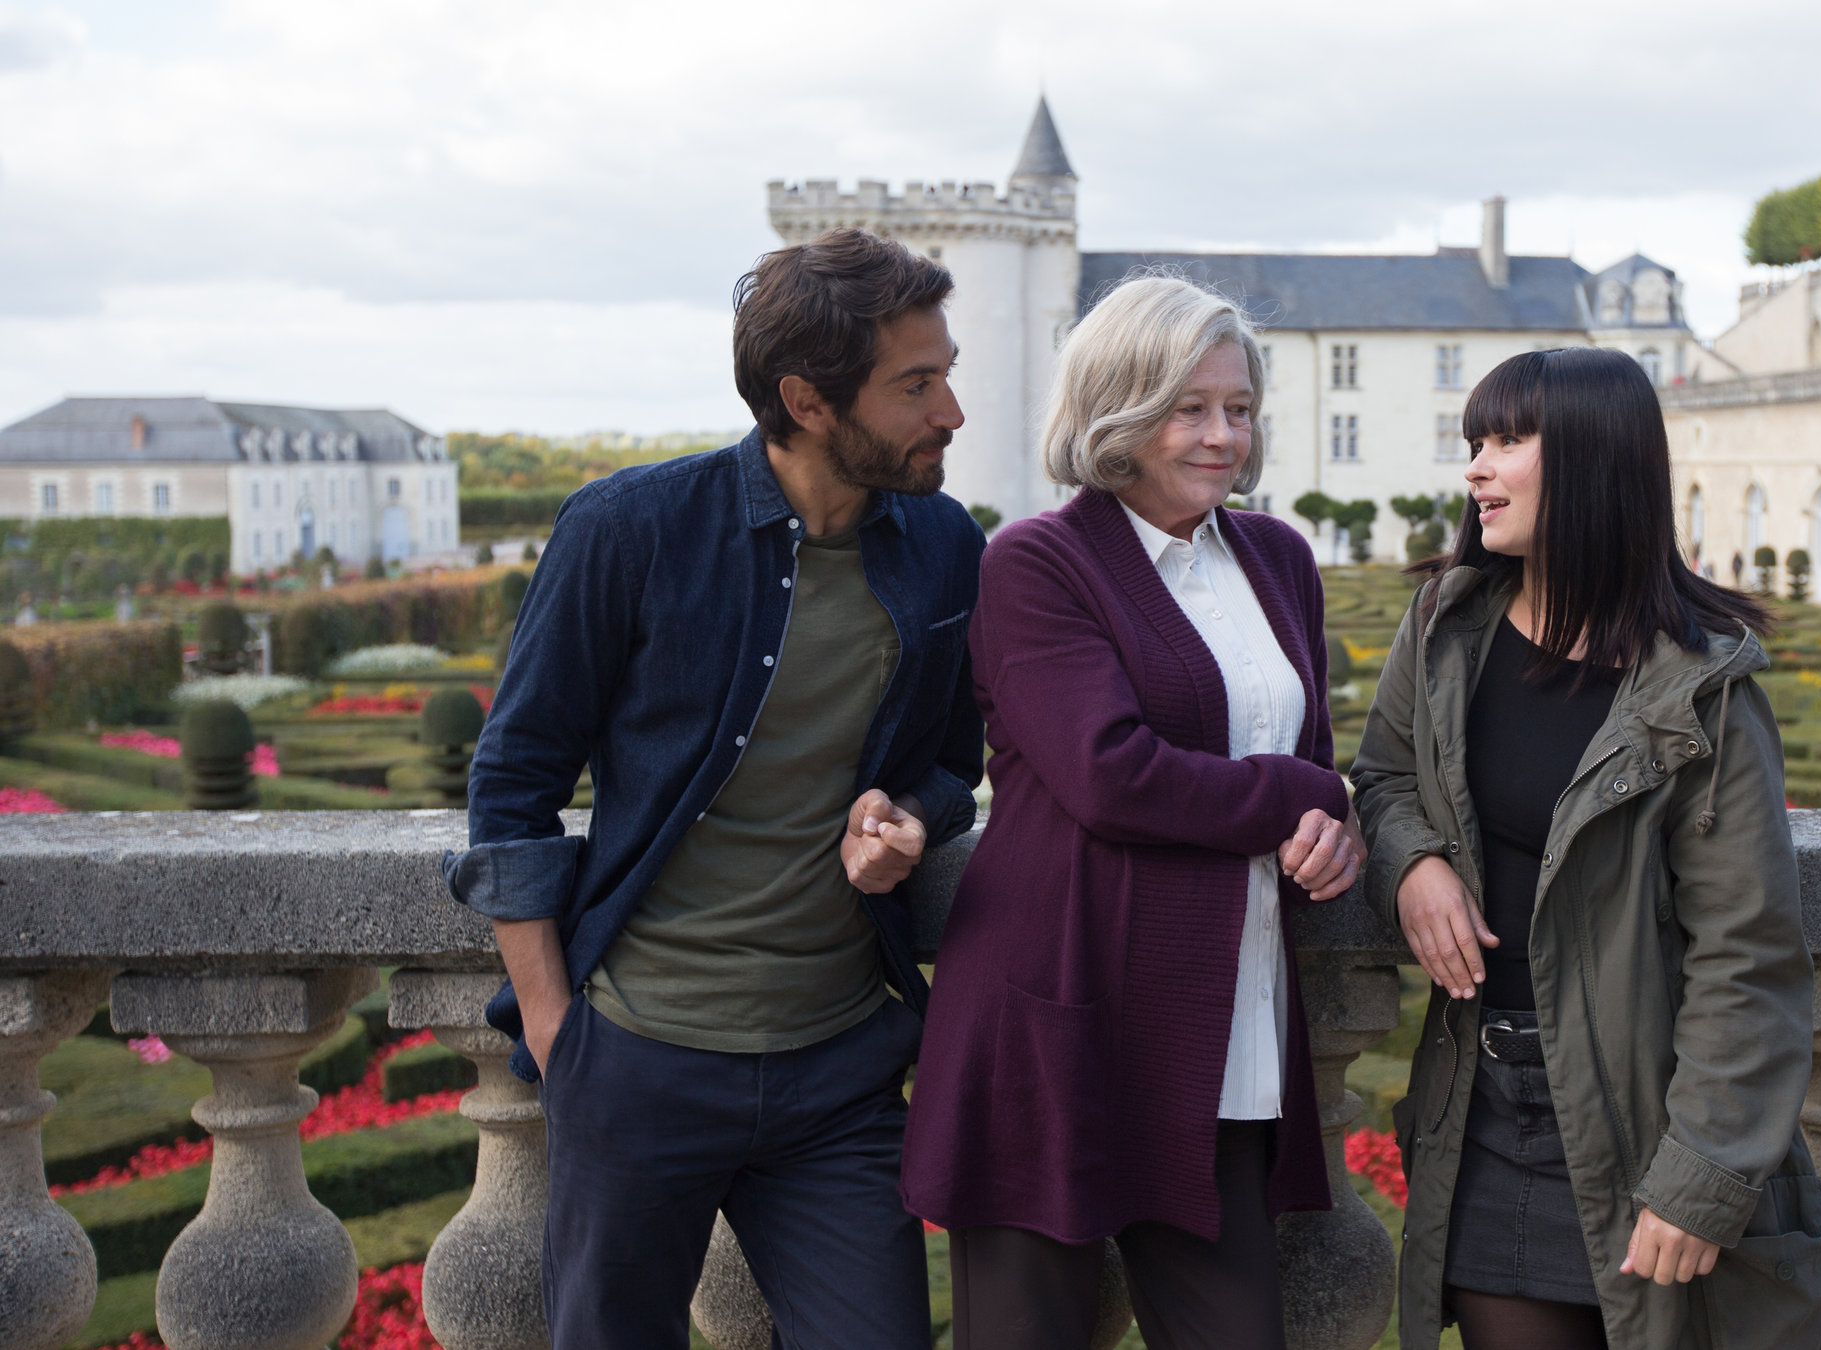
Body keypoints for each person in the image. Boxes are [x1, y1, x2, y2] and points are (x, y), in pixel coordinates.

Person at [444, 227, 986, 1349]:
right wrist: (559, 1037)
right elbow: (513, 783)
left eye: (948, 374)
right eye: (917, 384)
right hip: (637, 1067)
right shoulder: (629, 530)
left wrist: (909, 821)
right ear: (809, 399)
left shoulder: (942, 544)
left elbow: (954, 763)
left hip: (839, 1073)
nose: (952, 413)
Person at [903, 275, 1361, 1350]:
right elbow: (1111, 774)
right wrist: (1301, 798)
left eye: (1238, 408)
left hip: (1224, 1023)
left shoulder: (1281, 559)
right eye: (1188, 407)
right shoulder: (1039, 563)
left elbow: (1315, 757)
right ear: (1117, 406)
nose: (1222, 435)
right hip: (1058, 1014)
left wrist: (1332, 828)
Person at [1352, 348, 1821, 1350]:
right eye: (1474, 443)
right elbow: (1385, 779)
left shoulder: (1704, 690)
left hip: (1641, 1122)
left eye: (1507, 441)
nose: (1476, 467)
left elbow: (1747, 953)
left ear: (1596, 462)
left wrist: (1701, 1176)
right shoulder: (1445, 626)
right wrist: (1415, 864)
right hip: (1486, 1105)